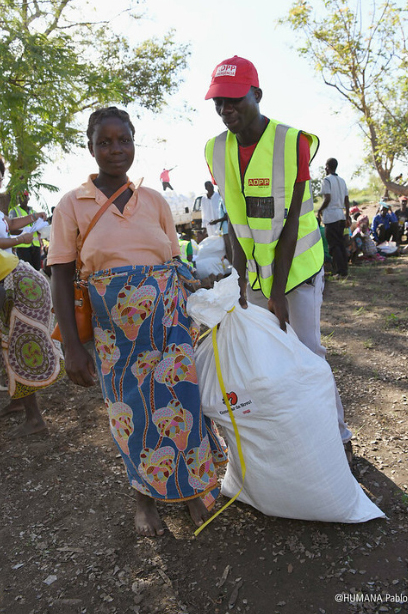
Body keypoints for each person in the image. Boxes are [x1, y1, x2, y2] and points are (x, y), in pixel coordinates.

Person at [47, 106, 226, 537]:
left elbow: (174, 262)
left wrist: (206, 285)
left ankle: (189, 493)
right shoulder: (72, 205)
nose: (114, 150)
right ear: (89, 147)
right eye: (104, 142)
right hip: (117, 337)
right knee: (132, 414)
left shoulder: (154, 201)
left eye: (122, 140)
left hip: (170, 325)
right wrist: (72, 347)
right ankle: (143, 499)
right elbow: (61, 274)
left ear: (133, 143)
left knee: (182, 407)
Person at [204, 55, 352, 461]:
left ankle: (339, 438)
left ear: (257, 95)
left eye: (234, 99)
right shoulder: (217, 150)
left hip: (297, 271)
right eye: (218, 102)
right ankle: (295, 439)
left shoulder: (292, 142)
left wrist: (280, 291)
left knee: (307, 351)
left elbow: (289, 223)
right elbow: (234, 220)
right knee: (265, 358)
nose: (225, 110)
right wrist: (237, 281)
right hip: (252, 276)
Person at [0, 159, 63, 436]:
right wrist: (23, 235)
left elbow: (7, 226)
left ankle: (34, 418)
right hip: (17, 277)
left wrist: (29, 222)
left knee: (14, 346)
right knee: (10, 343)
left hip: (12, 280)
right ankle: (18, 401)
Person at [317, 158, 350, 277]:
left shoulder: (327, 180)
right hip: (340, 215)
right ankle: (343, 269)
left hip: (331, 215)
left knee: (334, 245)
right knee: (340, 243)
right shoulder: (342, 180)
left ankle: (340, 271)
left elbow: (327, 198)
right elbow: (346, 200)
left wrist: (320, 210)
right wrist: (347, 216)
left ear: (327, 167)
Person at [9, 190, 42, 270]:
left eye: (24, 197)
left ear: (28, 198)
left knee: (37, 270)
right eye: (20, 198)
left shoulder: (34, 212)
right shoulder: (14, 211)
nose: (22, 199)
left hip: (35, 246)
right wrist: (25, 231)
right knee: (26, 271)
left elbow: (39, 228)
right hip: (22, 246)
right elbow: (11, 229)